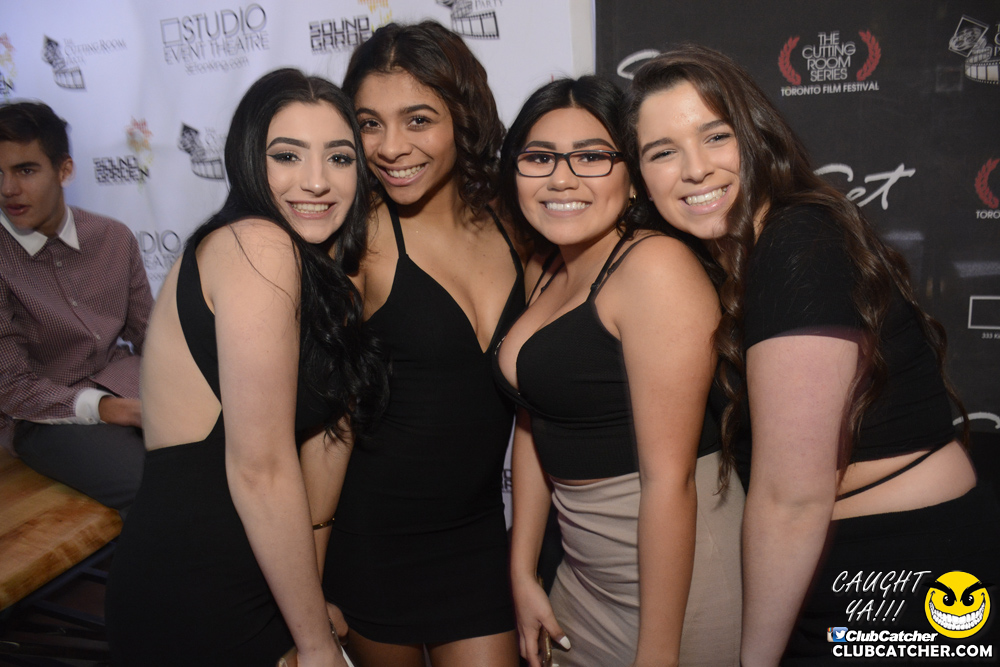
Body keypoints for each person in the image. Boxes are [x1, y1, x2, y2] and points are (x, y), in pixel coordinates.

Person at [626, 45, 1000, 665]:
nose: (694, 169)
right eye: (662, 152)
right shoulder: (742, 256)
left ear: (755, 136)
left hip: (904, 570)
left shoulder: (796, 243)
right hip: (857, 561)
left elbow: (792, 499)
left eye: (715, 136)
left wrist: (755, 662)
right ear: (641, 177)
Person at [106, 68, 386, 667]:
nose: (317, 181)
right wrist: (316, 644)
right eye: (287, 155)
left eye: (339, 158)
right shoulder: (257, 244)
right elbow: (260, 468)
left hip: (256, 576)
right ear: (248, 160)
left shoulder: (306, 265)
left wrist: (307, 604)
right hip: (202, 589)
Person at [496, 76, 743, 667]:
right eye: (540, 157)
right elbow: (534, 418)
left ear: (631, 176)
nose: (562, 178)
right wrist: (522, 570)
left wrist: (657, 654)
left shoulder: (655, 267)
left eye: (591, 157)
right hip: (583, 577)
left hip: (677, 584)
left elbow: (669, 481)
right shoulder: (545, 267)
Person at [320, 21, 523, 667]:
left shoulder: (517, 223)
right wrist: (308, 576)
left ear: (463, 116)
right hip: (373, 546)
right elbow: (326, 422)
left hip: (480, 540)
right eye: (369, 124)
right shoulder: (358, 242)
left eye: (417, 120)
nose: (390, 147)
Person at [0, 101, 150, 512]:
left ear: (64, 170)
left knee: (216, 454)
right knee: (152, 487)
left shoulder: (113, 237)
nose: (8, 189)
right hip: (43, 417)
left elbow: (151, 335)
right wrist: (109, 409)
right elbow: (11, 388)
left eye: (25, 170)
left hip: (130, 387)